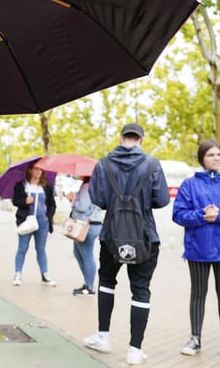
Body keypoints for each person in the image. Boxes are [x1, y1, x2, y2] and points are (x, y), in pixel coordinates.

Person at [83, 123, 170, 365]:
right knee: (141, 289)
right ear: (141, 140)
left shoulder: (103, 164)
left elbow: (98, 199)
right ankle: (134, 350)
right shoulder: (152, 164)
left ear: (121, 139)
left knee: (107, 281)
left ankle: (103, 337)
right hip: (145, 237)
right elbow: (162, 200)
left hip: (111, 235)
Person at [172, 139, 220, 356]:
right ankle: (195, 338)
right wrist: (202, 215)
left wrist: (217, 216)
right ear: (202, 159)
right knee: (198, 294)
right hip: (198, 249)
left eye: (218, 154)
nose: (216, 158)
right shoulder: (189, 185)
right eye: (211, 155)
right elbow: (178, 214)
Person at [11, 161, 57, 287]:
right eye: (36, 169)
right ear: (30, 170)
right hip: (26, 221)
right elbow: (15, 201)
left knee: (41, 249)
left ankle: (45, 275)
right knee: (22, 248)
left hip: (42, 222)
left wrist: (48, 216)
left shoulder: (47, 187)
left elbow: (52, 204)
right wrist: (25, 201)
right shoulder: (21, 185)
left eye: (40, 169)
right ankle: (18, 274)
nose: (38, 172)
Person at [67, 176, 102, 295]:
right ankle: (87, 283)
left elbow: (82, 206)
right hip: (92, 224)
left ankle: (89, 287)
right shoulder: (98, 186)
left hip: (85, 226)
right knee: (78, 253)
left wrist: (72, 199)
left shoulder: (87, 187)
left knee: (86, 254)